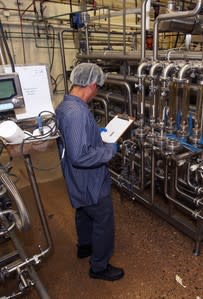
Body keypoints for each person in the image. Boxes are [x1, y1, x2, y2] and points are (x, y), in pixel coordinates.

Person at [55, 63, 124, 281]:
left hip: (76, 179)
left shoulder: (66, 106)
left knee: (83, 212)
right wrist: (109, 150)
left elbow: (76, 144)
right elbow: (81, 156)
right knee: (103, 222)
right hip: (90, 181)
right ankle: (99, 267)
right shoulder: (78, 114)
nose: (97, 92)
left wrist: (96, 135)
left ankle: (84, 246)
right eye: (98, 88)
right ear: (92, 85)